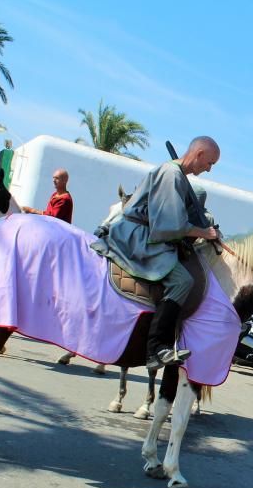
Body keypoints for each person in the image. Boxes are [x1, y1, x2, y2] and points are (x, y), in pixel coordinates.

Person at [91, 136, 221, 371]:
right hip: (137, 236)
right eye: (210, 163)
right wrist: (204, 232)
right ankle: (157, 348)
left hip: (147, 233)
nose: (209, 169)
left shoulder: (178, 176)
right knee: (183, 281)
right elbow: (169, 225)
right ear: (199, 154)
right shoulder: (171, 175)